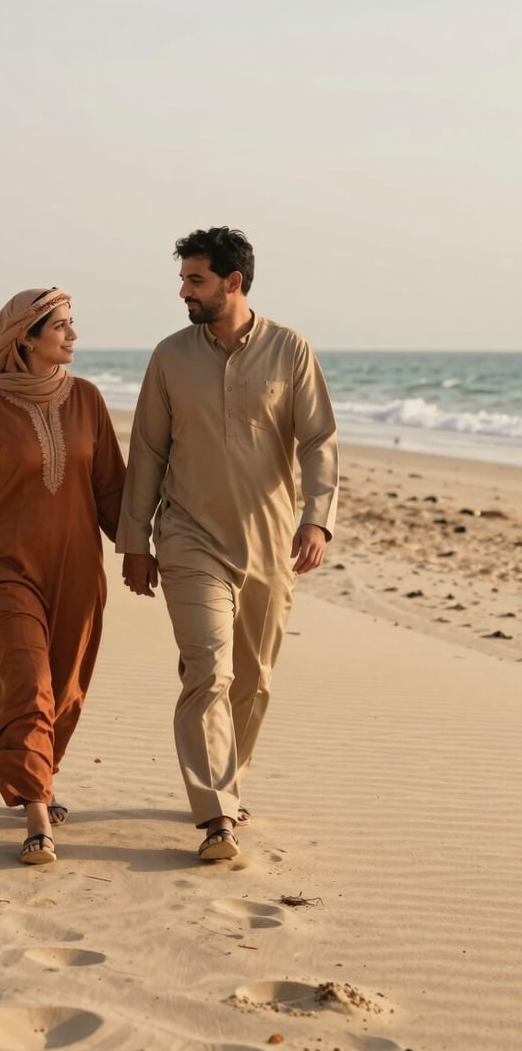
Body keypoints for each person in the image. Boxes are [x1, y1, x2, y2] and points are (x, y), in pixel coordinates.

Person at [117, 228, 338, 861]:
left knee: (255, 677)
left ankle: (228, 784)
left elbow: (318, 439)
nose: (183, 290)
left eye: (196, 280)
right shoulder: (169, 356)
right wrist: (137, 542)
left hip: (269, 541)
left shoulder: (290, 350)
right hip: (188, 536)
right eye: (184, 278)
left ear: (232, 284)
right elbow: (148, 452)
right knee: (208, 669)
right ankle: (216, 815)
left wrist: (317, 518)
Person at [0, 288, 125, 865]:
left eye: (72, 324)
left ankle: (39, 776)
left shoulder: (88, 400)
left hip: (75, 571)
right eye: (61, 326)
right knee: (27, 687)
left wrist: (143, 552)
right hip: (0, 568)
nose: (72, 335)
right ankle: (37, 817)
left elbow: (112, 489)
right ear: (26, 338)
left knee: (63, 689)